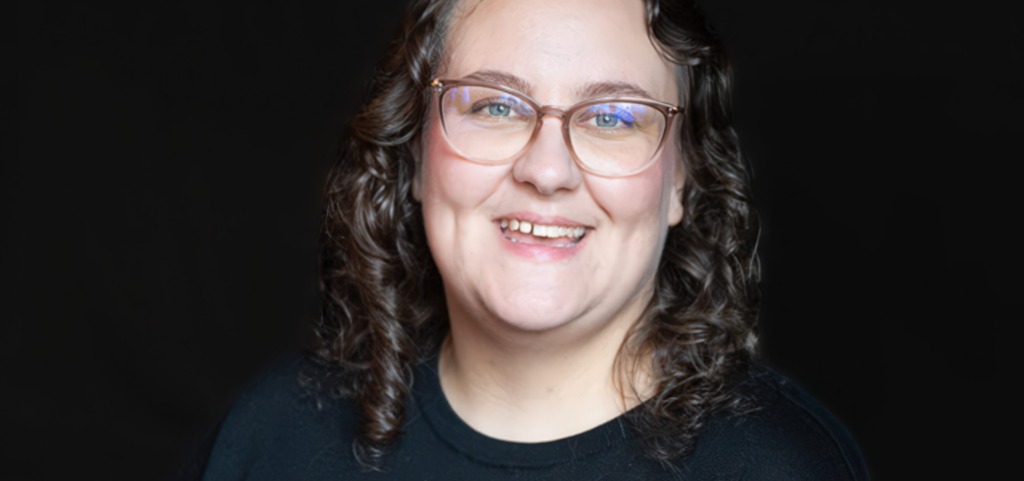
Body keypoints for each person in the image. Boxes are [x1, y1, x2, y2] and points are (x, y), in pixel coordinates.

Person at [189, 0, 870, 479]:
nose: (546, 170)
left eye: (612, 116)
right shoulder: (272, 439)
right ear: (416, 153)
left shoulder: (779, 467)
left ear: (681, 183)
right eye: (495, 105)